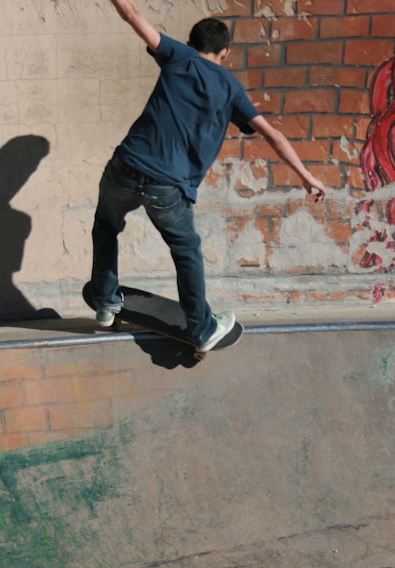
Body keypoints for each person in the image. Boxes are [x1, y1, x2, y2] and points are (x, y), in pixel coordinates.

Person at [87, 0, 327, 352]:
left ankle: (106, 302)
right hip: (167, 187)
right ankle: (201, 328)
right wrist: (307, 176)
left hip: (124, 167)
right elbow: (273, 134)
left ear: (191, 43)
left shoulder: (177, 56)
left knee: (106, 227)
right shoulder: (231, 89)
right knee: (186, 251)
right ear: (225, 53)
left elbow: (133, 15)